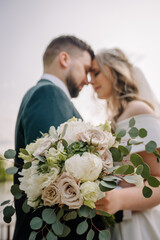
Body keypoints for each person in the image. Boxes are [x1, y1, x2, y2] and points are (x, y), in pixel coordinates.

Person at [13, 35, 104, 240]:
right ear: (65, 59)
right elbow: (55, 181)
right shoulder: (48, 94)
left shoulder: (42, 94)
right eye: (86, 69)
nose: (88, 80)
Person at [90, 48, 160, 240]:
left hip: (139, 228)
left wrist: (119, 199)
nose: (90, 81)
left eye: (96, 72)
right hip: (117, 226)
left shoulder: (137, 109)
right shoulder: (116, 117)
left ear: (113, 70)